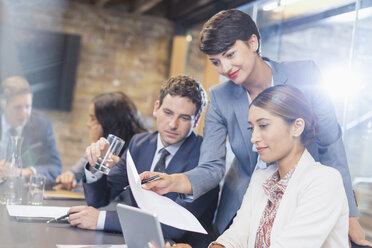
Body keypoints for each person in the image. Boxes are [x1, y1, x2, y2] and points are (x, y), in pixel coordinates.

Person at [141, 9, 371, 246]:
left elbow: (330, 142)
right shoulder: (220, 98)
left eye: (230, 54)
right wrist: (173, 181)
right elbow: (211, 167)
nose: (225, 67)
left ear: (253, 42)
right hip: (248, 199)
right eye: (216, 62)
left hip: (302, 195)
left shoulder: (305, 75)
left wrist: (350, 214)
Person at [67, 75, 219, 248]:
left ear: (197, 120)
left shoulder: (207, 159)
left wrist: (101, 219)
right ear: (156, 108)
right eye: (168, 112)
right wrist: (96, 166)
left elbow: (173, 227)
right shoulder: (139, 143)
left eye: (184, 118)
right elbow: (99, 199)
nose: (172, 124)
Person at [210, 85, 349, 248]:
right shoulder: (261, 177)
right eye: (251, 128)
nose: (253, 138)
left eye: (263, 126)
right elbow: (238, 233)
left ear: (297, 126)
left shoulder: (325, 180)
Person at [55, 92, 147, 190]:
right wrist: (69, 176)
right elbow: (75, 173)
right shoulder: (106, 143)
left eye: (92, 118)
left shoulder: (138, 147)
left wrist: (95, 146)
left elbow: (100, 190)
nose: (88, 124)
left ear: (108, 121)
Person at [0, 76, 61, 182]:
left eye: (28, 107)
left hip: (23, 192)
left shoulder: (42, 126)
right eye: (18, 107)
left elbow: (55, 167)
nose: (24, 114)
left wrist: (26, 172)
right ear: (3, 103)